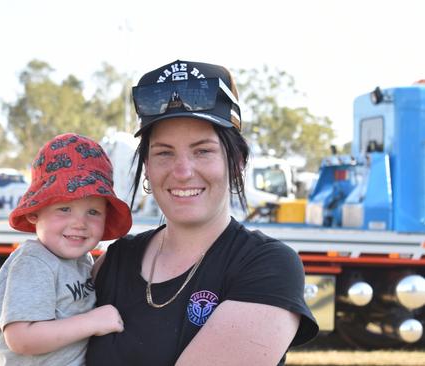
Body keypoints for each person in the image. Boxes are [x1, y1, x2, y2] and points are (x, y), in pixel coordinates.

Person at [86, 60, 319, 366]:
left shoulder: (268, 266)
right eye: (164, 153)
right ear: (147, 167)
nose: (182, 172)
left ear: (235, 162)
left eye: (203, 151)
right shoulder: (115, 261)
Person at [0, 133, 133, 365]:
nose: (80, 223)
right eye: (65, 208)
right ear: (34, 212)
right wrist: (93, 322)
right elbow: (22, 338)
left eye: (93, 212)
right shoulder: (34, 262)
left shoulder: (81, 260)